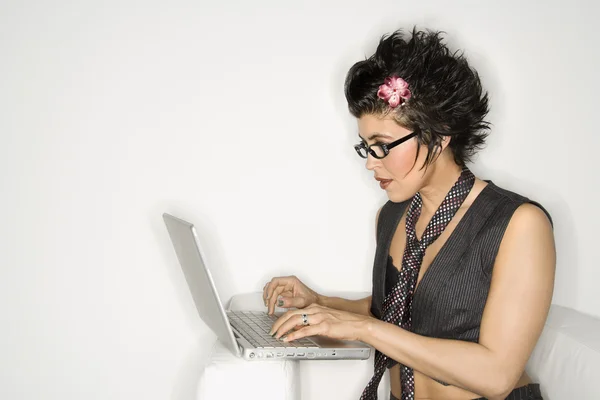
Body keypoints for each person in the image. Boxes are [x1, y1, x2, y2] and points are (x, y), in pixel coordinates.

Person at [263, 28, 555, 400]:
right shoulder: (391, 217)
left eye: (382, 146)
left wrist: (361, 329)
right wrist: (320, 304)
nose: (370, 163)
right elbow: (397, 312)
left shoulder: (518, 224)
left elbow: (497, 375)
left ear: (438, 135)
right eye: (365, 147)